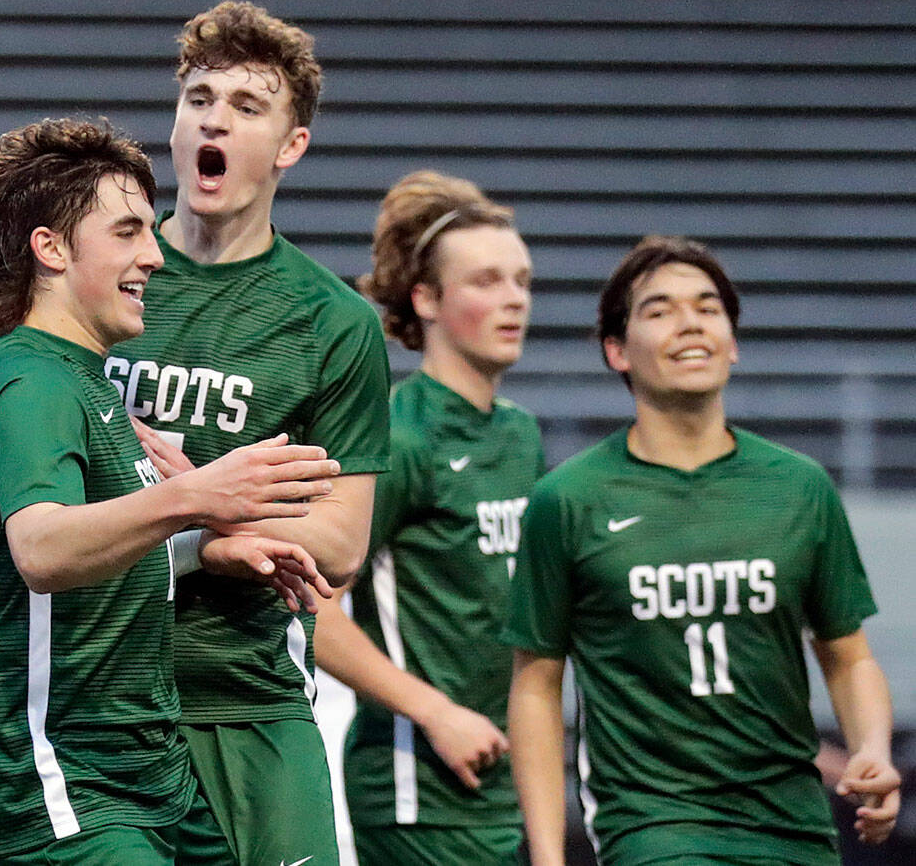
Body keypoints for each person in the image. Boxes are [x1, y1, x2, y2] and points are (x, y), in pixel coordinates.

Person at [0, 116, 341, 865]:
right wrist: (197, 496)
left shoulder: (84, 379)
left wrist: (208, 548)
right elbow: (40, 548)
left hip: (149, 774)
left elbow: (106, 555)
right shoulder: (27, 379)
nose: (154, 255)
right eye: (127, 232)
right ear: (51, 248)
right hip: (64, 781)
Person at [504, 235, 902, 865]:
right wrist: (549, 856)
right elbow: (536, 684)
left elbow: (848, 657)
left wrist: (872, 749)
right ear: (616, 350)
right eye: (659, 310)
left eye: (708, 307)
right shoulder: (568, 499)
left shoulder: (798, 486)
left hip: (794, 826)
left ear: (733, 342)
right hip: (653, 828)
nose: (690, 322)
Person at [106, 3, 392, 863]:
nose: (214, 118)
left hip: (253, 698)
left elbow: (339, 543)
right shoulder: (100, 283)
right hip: (103, 697)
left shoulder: (331, 322)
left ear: (291, 145)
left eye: (245, 104)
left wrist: (201, 506)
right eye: (199, 97)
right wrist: (216, 521)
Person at [312, 171, 542, 865]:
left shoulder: (521, 434)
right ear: (427, 299)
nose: (513, 300)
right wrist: (435, 712)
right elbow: (314, 614)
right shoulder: (398, 438)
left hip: (503, 783)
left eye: (522, 281)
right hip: (417, 789)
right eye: (487, 282)